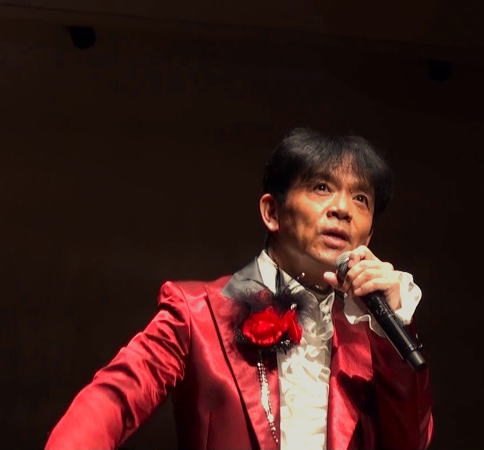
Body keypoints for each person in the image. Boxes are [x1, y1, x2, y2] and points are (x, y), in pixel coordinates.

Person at [46, 128, 433, 449]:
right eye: (321, 187)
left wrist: (394, 328)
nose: (342, 209)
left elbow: (410, 442)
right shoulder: (198, 311)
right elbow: (114, 400)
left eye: (361, 198)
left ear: (369, 233)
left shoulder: (373, 337)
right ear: (272, 212)